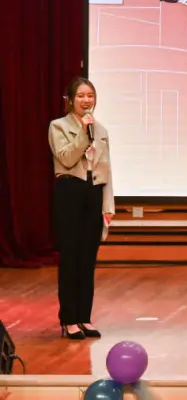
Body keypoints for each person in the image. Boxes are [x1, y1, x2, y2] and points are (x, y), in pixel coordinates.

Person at [48, 77, 115, 340]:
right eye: (81, 96)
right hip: (70, 191)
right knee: (70, 257)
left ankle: (84, 317)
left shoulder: (101, 130)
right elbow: (66, 158)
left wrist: (108, 204)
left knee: (88, 259)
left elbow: (107, 169)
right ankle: (69, 319)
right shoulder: (58, 126)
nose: (86, 100)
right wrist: (84, 135)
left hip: (93, 191)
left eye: (90, 96)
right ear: (70, 100)